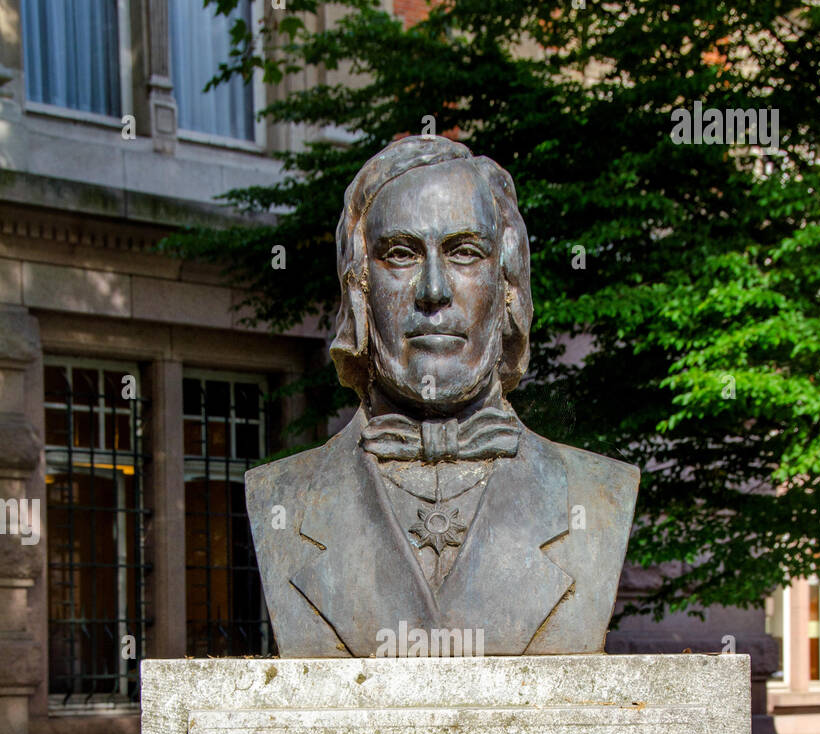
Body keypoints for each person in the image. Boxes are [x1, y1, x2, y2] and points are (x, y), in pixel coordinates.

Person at [246, 135, 638, 656]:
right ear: (359, 287)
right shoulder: (281, 498)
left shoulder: (596, 494)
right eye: (401, 255)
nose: (433, 290)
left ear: (508, 288)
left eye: (464, 253)